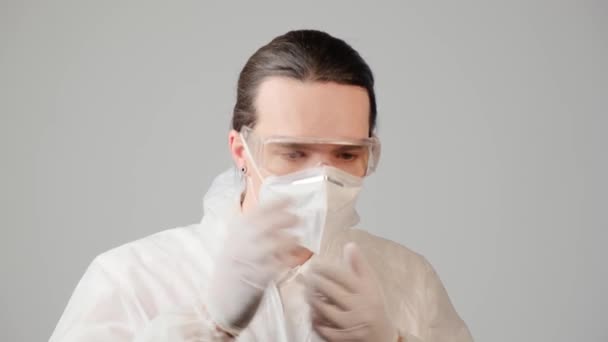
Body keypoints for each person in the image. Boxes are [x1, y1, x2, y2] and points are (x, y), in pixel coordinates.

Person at [50, 29, 473, 342]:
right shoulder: (133, 279)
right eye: (292, 153)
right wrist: (209, 324)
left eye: (346, 154)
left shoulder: (407, 279)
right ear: (240, 150)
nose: (322, 177)